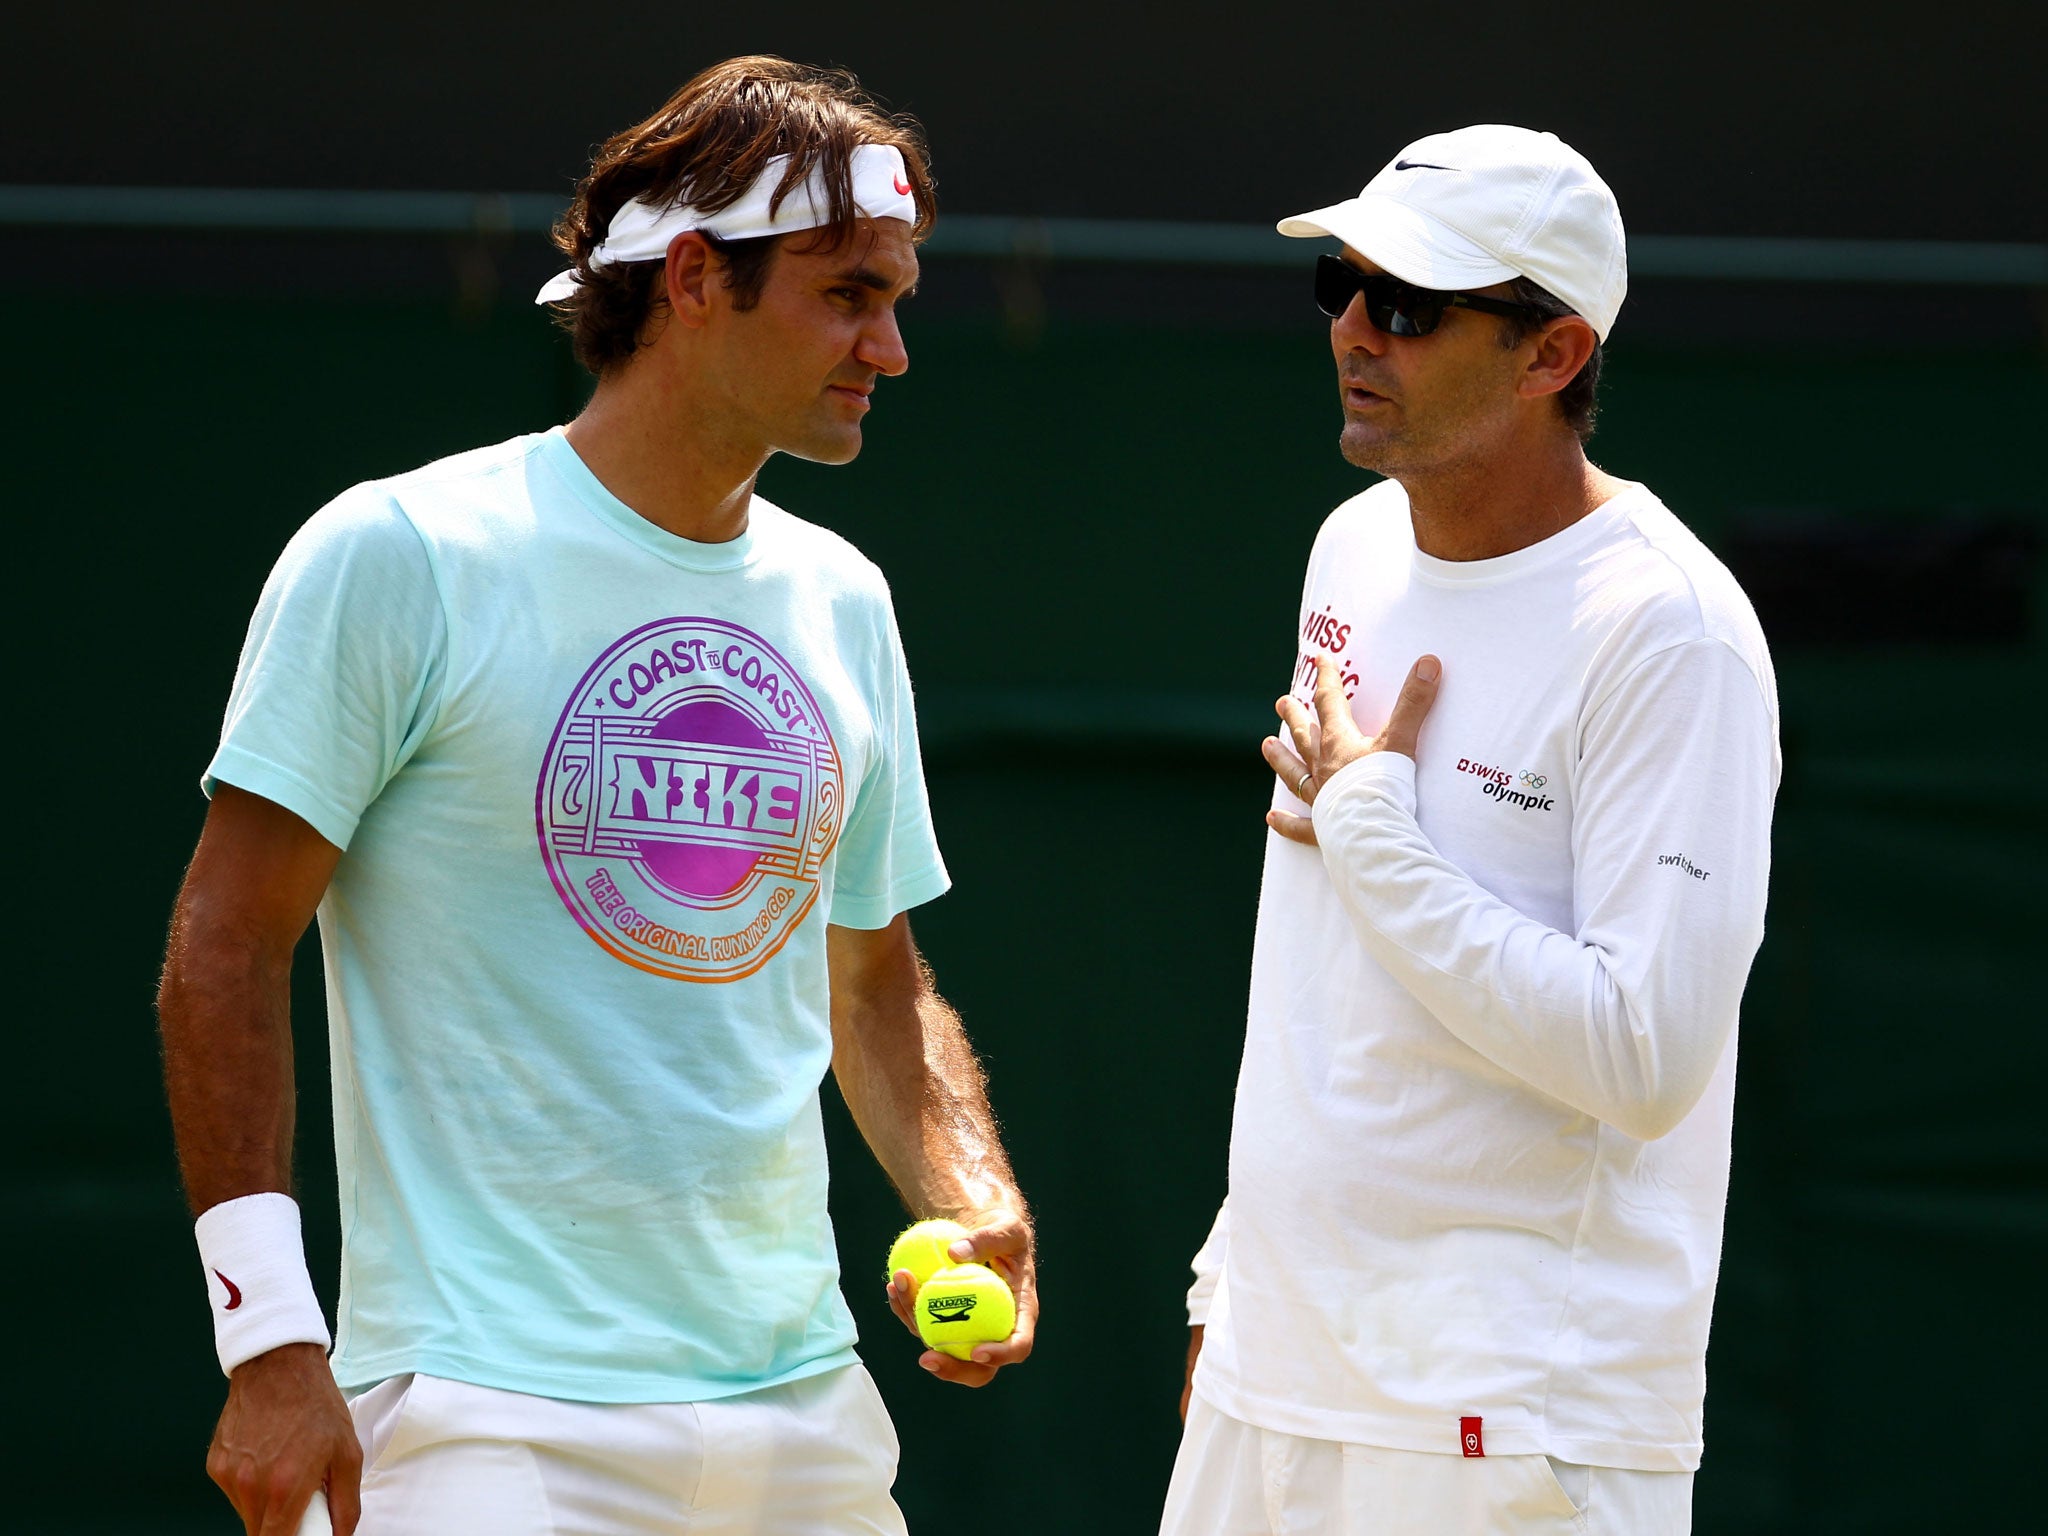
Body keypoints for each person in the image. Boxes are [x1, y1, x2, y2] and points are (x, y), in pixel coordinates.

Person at [157, 56, 1037, 1536]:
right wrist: (268, 1343)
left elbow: (873, 977)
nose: (889, 348)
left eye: (898, 298)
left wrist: (972, 1195)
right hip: (482, 1423)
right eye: (846, 294)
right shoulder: (399, 554)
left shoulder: (844, 600)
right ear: (695, 280)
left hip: (804, 1416)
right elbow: (223, 949)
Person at [1163, 125, 1779, 1536]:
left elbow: (1643, 1056)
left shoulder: (1671, 634)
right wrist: (1233, 1283)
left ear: (1553, 354)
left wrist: (1373, 830)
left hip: (1515, 1422)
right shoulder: (1353, 546)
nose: (1356, 333)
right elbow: (1324, 974)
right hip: (1277, 1382)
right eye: (1343, 287)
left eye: (1413, 306)